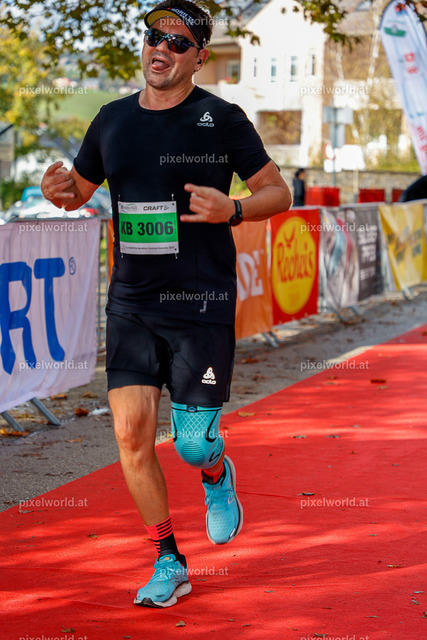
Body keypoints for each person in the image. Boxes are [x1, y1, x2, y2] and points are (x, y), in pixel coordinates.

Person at [41, 0, 291, 609]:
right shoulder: (111, 119)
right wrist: (58, 191)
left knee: (192, 445)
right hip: (131, 300)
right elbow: (78, 193)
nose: (162, 48)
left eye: (179, 43)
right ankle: (168, 559)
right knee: (130, 435)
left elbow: (278, 192)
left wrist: (232, 209)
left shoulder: (222, 119)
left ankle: (216, 473)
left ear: (199, 58)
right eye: (155, 36)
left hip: (200, 302)